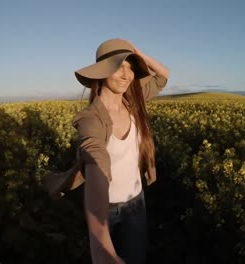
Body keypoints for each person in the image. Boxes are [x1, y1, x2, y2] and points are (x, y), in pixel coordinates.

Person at [73, 38, 169, 264]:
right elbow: (95, 162)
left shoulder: (135, 101)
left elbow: (163, 76)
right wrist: (100, 249)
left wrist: (139, 55)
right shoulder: (91, 119)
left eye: (131, 68)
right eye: (118, 67)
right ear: (102, 72)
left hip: (136, 201)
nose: (127, 75)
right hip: (105, 209)